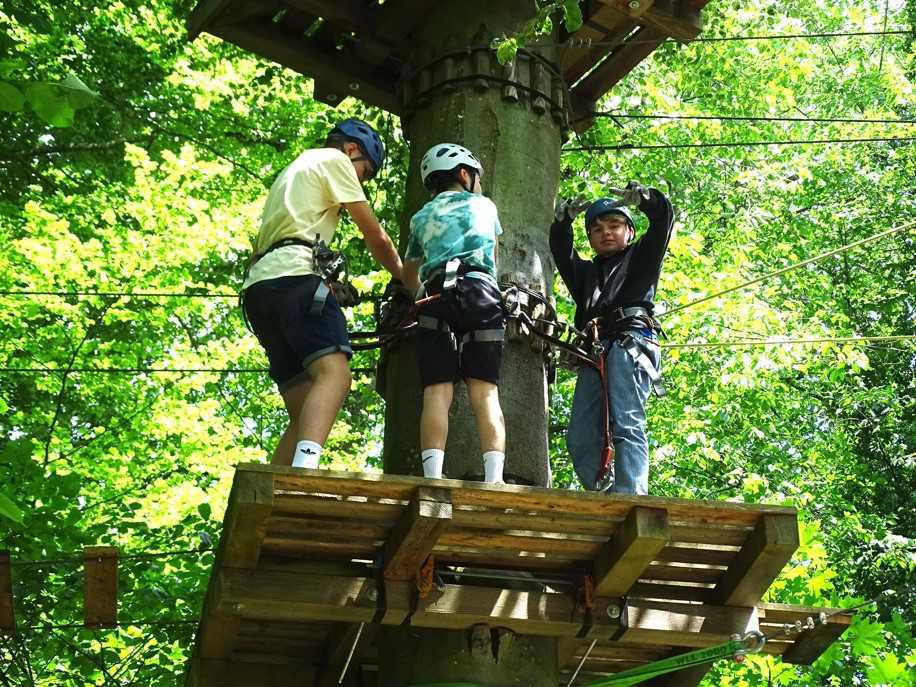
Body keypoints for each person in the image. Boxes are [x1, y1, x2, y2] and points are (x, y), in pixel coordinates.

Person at [241, 118, 405, 469]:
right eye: (365, 174)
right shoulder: (334, 161)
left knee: (303, 413)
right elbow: (375, 236)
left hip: (259, 290)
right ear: (352, 150)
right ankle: (304, 472)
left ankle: (275, 487)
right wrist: (408, 278)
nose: (361, 181)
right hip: (296, 278)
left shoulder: (294, 171)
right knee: (336, 375)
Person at [550, 183, 674, 494]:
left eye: (615, 225)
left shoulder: (642, 257)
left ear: (629, 232)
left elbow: (663, 221)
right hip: (595, 350)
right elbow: (562, 253)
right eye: (597, 229)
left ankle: (631, 494)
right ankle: (606, 496)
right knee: (579, 437)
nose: (606, 232)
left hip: (631, 341)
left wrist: (647, 200)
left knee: (626, 422)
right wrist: (562, 222)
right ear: (590, 239)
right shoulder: (586, 276)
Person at [401, 143, 507, 484]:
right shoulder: (484, 205)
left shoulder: (420, 217)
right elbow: (493, 250)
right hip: (480, 290)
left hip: (434, 295)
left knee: (436, 390)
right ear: (465, 174)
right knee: (485, 390)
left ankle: (432, 476)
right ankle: (494, 479)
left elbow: (410, 269)